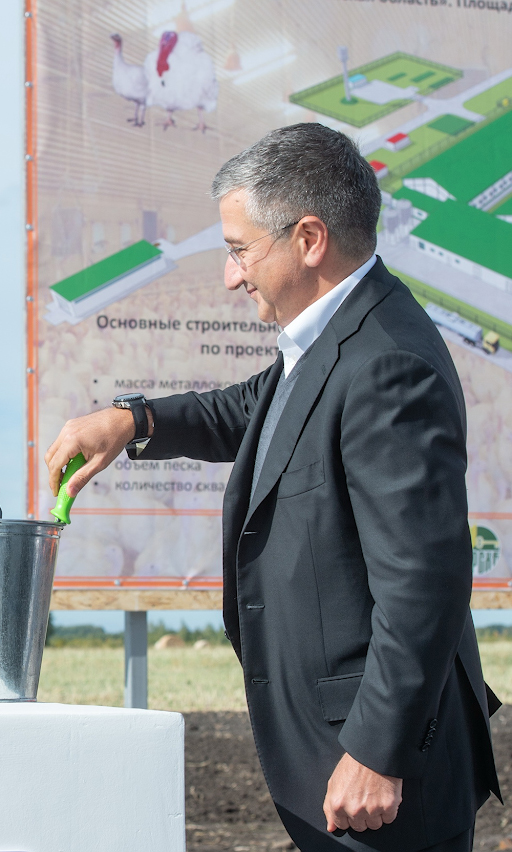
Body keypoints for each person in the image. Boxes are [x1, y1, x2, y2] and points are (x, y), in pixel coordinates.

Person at [45, 124, 499, 851]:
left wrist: (378, 751)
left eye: (240, 250)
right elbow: (258, 409)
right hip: (341, 764)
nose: (232, 276)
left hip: (379, 785)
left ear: (309, 239)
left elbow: (424, 582)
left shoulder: (387, 366)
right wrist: (134, 421)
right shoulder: (342, 333)